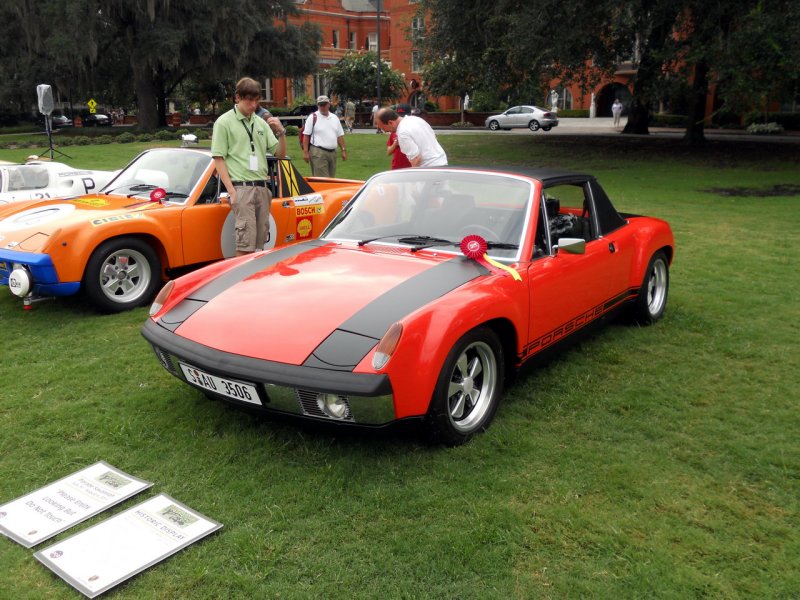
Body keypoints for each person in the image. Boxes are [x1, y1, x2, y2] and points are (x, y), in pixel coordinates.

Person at [211, 77, 287, 256]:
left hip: (262, 187)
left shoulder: (260, 123)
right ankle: (242, 282)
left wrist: (281, 133)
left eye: (256, 100)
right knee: (245, 245)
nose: (253, 105)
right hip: (242, 188)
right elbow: (218, 158)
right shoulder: (224, 122)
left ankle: (255, 282)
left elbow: (280, 154)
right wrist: (232, 192)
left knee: (260, 245)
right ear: (237, 98)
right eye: (249, 100)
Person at [375, 108, 447, 168]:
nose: (385, 131)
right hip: (442, 163)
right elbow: (434, 138)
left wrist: (413, 181)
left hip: (428, 168)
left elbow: (416, 159)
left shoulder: (402, 133)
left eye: (383, 128)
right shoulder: (416, 119)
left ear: (390, 123)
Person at [302, 95, 347, 177]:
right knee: (322, 180)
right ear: (318, 105)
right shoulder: (312, 117)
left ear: (329, 104)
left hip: (332, 153)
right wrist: (305, 152)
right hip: (318, 152)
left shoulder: (334, 118)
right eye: (320, 105)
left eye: (324, 104)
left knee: (331, 179)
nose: (322, 107)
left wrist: (343, 150)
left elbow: (339, 135)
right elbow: (306, 135)